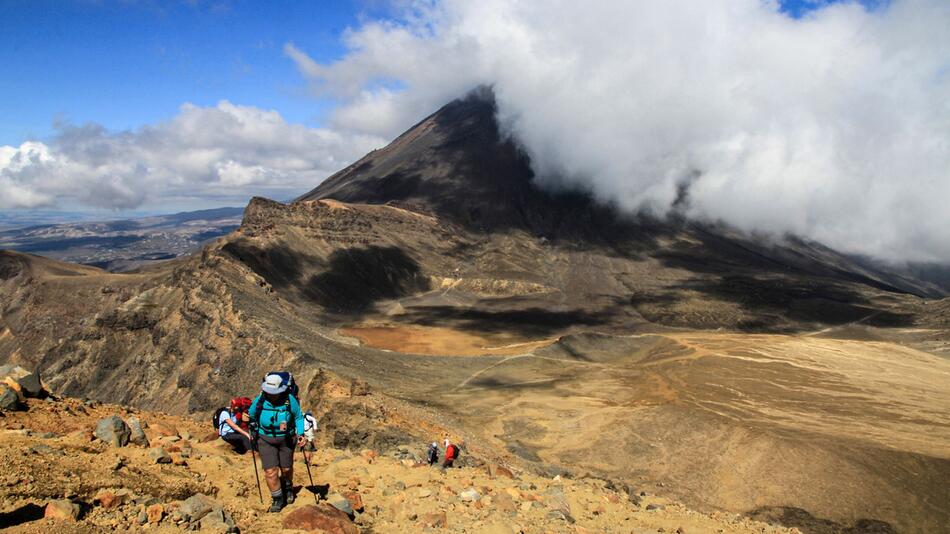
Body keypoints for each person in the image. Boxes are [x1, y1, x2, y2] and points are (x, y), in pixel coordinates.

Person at [249, 373, 306, 512]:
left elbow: (298, 417)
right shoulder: (260, 400)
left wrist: (301, 433)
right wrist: (252, 430)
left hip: (286, 439)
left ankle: (287, 486)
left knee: (286, 469)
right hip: (265, 439)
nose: (272, 394)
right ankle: (277, 498)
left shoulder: (289, 400)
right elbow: (251, 414)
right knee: (270, 472)